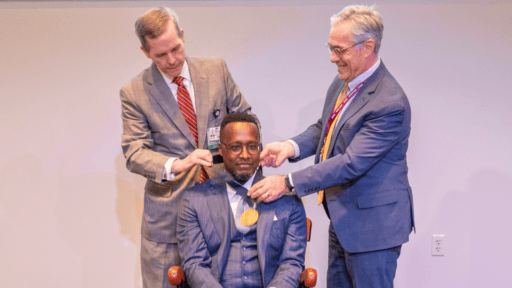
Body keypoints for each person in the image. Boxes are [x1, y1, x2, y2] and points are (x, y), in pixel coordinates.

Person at [247, 5, 414, 287]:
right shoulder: (342, 83)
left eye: (339, 49)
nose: (332, 57)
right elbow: (326, 128)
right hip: (343, 219)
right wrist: (290, 147)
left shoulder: (389, 102)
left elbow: (351, 162)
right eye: (330, 47)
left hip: (375, 229)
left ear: (367, 46)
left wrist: (287, 182)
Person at [120, 7, 257, 288]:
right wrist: (178, 164)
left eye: (176, 48)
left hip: (225, 210)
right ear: (146, 52)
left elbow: (246, 119)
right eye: (160, 55)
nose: (171, 60)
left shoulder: (216, 70)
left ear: (182, 35)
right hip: (168, 222)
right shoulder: (134, 93)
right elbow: (135, 152)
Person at [177, 112, 307, 288]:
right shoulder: (194, 200)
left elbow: (291, 263)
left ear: (260, 149)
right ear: (221, 150)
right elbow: (195, 263)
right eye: (236, 147)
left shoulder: (288, 200)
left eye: (252, 146)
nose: (245, 155)